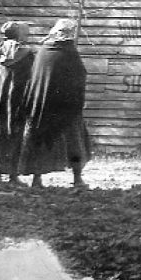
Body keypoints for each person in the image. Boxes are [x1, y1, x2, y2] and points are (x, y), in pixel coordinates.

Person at [18, 19, 91, 188]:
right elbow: (80, 76)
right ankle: (77, 178)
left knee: (40, 140)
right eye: (70, 33)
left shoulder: (43, 51)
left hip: (42, 106)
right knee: (74, 141)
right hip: (66, 108)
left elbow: (35, 80)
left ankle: (37, 179)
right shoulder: (69, 53)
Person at [0, 21, 34, 185]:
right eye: (25, 32)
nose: (27, 35)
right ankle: (13, 175)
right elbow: (32, 76)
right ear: (19, 34)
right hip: (17, 99)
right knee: (15, 132)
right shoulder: (27, 53)